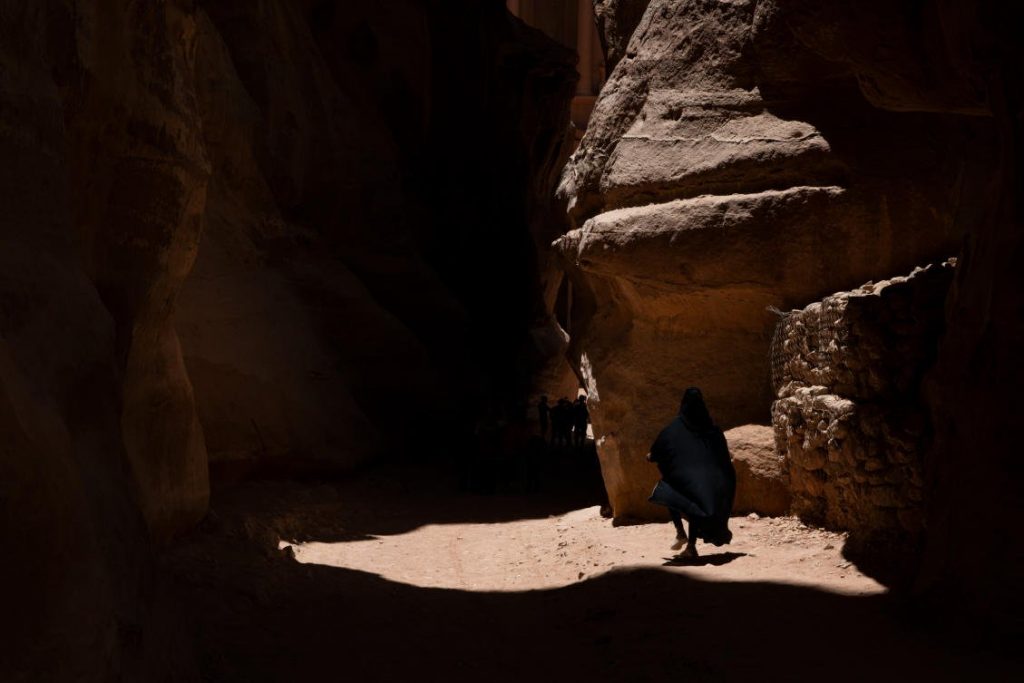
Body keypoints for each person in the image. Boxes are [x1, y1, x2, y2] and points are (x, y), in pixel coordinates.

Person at [646, 387, 735, 558]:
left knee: (668, 489)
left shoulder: (676, 427)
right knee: (696, 501)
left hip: (689, 481)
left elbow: (661, 446)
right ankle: (691, 546)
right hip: (711, 483)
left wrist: (652, 456)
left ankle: (680, 532)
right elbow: (722, 453)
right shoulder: (712, 429)